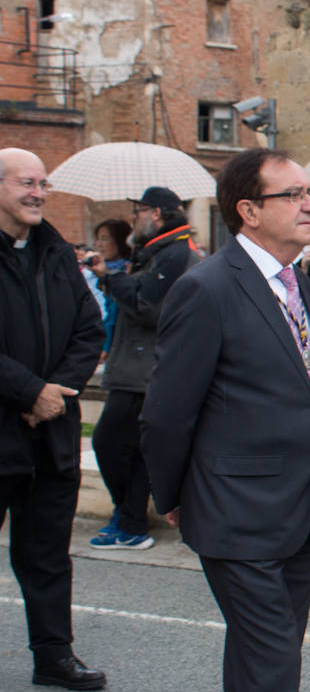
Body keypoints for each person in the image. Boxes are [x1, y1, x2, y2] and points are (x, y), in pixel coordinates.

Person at [141, 147, 310, 692]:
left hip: (296, 509)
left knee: (260, 665)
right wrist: (173, 495)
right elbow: (167, 410)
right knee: (273, 670)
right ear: (249, 211)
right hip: (235, 514)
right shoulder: (207, 287)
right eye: (295, 195)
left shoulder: (295, 281)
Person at [0, 147, 106, 691]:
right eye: (26, 183)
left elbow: (91, 330)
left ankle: (54, 656)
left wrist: (56, 394)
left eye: (43, 184)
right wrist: (28, 390)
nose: (38, 193)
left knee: (46, 555)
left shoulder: (57, 252)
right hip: (4, 426)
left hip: (52, 431)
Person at [86, 187, 197, 550]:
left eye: (140, 210)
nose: (134, 216)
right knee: (131, 451)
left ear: (157, 215)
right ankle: (130, 522)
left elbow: (147, 305)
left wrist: (110, 277)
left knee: (108, 443)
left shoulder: (175, 254)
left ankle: (129, 518)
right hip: (137, 367)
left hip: (146, 371)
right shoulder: (155, 253)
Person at [91, 218, 132, 355]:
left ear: (120, 240)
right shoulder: (104, 270)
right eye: (98, 239)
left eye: (104, 238)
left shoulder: (126, 270)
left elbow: (114, 312)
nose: (99, 244)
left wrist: (106, 346)